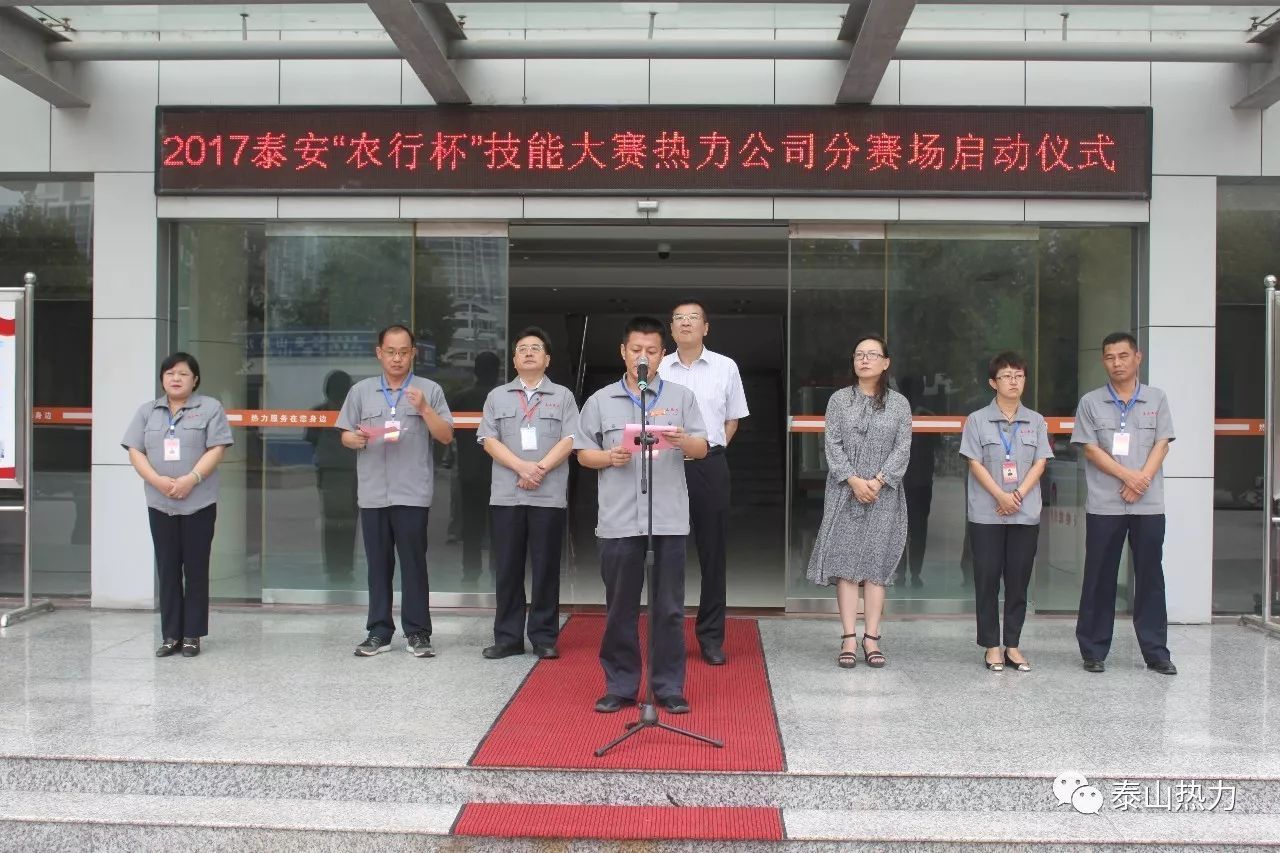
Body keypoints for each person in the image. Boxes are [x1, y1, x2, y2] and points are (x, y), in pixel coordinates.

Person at [575, 316, 708, 714]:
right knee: (620, 607)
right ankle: (620, 684)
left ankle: (668, 686)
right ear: (623, 352)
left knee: (668, 607)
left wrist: (684, 439)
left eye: (651, 351)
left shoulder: (681, 397)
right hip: (618, 518)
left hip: (667, 517)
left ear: (662, 355)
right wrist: (608, 456)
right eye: (636, 350)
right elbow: (583, 453)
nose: (643, 357)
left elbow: (702, 449)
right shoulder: (600, 400)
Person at [336, 324, 454, 658]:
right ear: (379, 353)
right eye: (391, 351)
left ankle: (417, 632)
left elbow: (446, 436)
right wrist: (352, 438)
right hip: (373, 492)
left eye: (404, 351)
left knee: (414, 563)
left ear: (413, 353)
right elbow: (345, 433)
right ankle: (379, 631)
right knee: (377, 564)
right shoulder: (360, 392)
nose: (397, 358)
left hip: (412, 491)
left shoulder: (428, 389)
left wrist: (425, 409)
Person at [1071, 332, 1177, 675]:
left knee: (1150, 575)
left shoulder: (1157, 399)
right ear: (1103, 361)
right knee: (1099, 575)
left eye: (1123, 356)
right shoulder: (1090, 402)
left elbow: (1162, 443)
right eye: (1110, 357)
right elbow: (1090, 448)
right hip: (1106, 503)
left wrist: (1141, 478)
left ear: (1137, 358)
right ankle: (1093, 649)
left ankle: (1156, 652)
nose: (1116, 363)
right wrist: (1128, 478)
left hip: (1148, 505)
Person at [806, 334, 912, 669]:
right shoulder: (839, 400)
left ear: (886, 362)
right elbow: (832, 444)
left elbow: (902, 448)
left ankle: (873, 637)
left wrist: (878, 481)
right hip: (844, 490)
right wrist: (853, 480)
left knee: (876, 568)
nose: (864, 360)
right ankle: (849, 637)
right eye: (859, 355)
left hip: (885, 493)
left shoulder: (900, 404)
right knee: (846, 566)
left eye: (872, 354)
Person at [122, 352, 234, 658]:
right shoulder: (148, 412)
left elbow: (217, 448)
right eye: (170, 373)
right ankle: (170, 634)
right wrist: (158, 481)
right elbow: (135, 450)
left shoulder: (209, 408)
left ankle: (192, 635)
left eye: (183, 374)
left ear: (195, 380)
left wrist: (191, 478)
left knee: (195, 569)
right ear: (162, 379)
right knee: (167, 568)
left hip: (198, 501)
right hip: (160, 502)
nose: (176, 378)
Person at [477, 329, 580, 660]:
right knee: (507, 568)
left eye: (536, 348)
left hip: (547, 496)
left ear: (547, 359)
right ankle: (507, 637)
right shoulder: (497, 396)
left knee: (546, 567)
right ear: (514, 359)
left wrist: (540, 470)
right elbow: (489, 440)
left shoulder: (562, 396)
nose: (529, 353)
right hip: (507, 496)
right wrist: (523, 468)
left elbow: (570, 439)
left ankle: (543, 636)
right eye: (522, 349)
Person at [658, 300, 749, 666]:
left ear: (706, 328)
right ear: (671, 328)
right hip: (664, 465)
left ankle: (711, 637)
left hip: (708, 465)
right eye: (678, 318)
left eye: (693, 318)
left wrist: (716, 448)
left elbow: (733, 417)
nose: (685, 323)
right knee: (665, 553)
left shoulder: (726, 367)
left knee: (712, 554)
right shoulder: (659, 367)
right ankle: (667, 636)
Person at [959, 352, 1053, 672]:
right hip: (987, 513)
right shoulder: (977, 420)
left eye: (1019, 376)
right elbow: (974, 462)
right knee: (986, 579)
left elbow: (1040, 462)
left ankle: (1012, 644)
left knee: (1018, 580)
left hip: (1024, 513)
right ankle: (991, 646)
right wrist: (1001, 495)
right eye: (1006, 376)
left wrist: (1018, 495)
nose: (1013, 381)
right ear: (992, 383)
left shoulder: (1036, 421)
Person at [451, 352, 502, 587]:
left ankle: (470, 573)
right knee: (498, 527)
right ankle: (497, 571)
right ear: (497, 372)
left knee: (471, 526)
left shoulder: (461, 399)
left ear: (475, 371)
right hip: (499, 473)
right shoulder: (504, 399)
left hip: (469, 472)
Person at [305, 370, 357, 582]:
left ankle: (333, 567)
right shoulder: (358, 412)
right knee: (350, 521)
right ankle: (345, 567)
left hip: (328, 472)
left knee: (331, 521)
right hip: (353, 471)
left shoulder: (318, 411)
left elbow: (311, 438)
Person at [897, 375, 939, 589]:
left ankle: (908, 574)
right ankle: (909, 574)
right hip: (905, 482)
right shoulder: (896, 414)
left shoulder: (927, 417)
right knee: (911, 529)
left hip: (916, 481)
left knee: (910, 529)